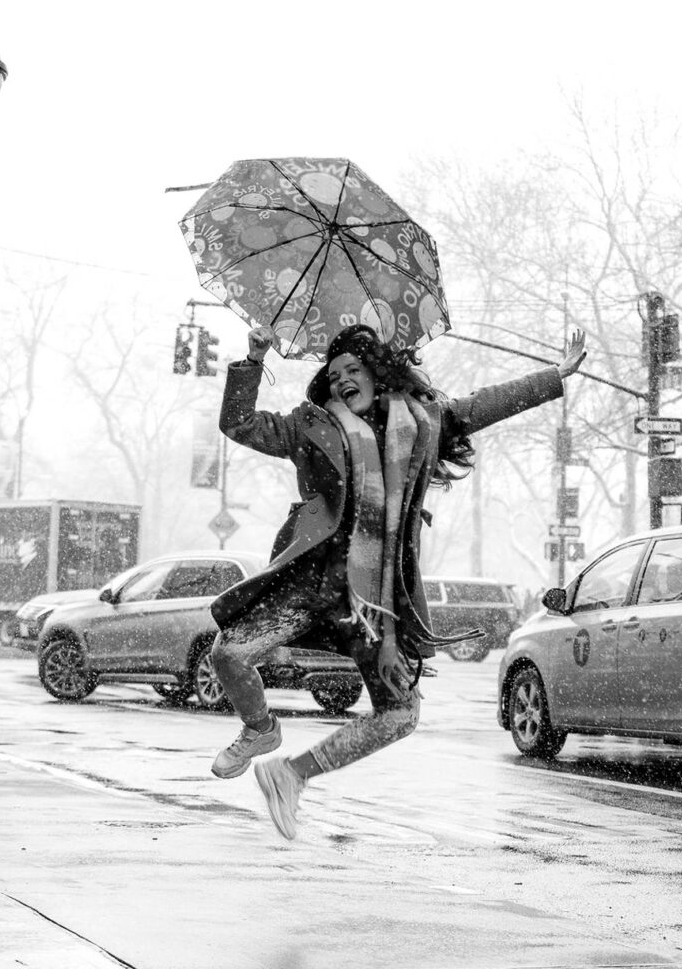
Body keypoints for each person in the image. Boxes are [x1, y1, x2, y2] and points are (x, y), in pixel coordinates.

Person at [207, 321, 587, 839]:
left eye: (353, 370)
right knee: (228, 653)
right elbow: (239, 423)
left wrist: (554, 377)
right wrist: (253, 361)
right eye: (334, 374)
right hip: (312, 579)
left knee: (401, 714)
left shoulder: (424, 423)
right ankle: (260, 730)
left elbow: (483, 405)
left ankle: (291, 775)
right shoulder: (310, 426)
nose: (343, 380)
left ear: (376, 374)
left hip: (376, 599)